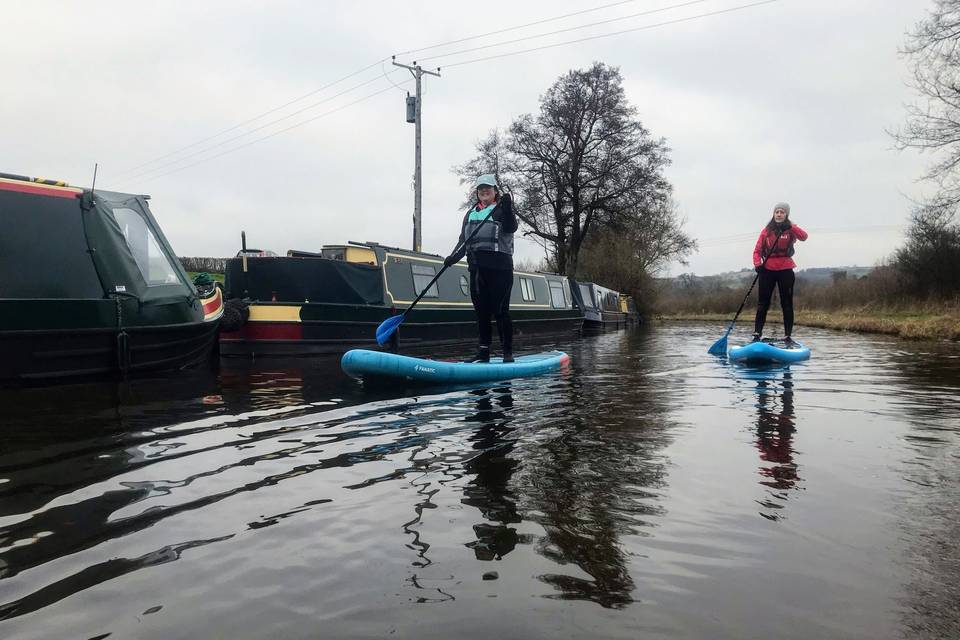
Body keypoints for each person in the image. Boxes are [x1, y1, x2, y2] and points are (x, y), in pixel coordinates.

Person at [444, 174, 518, 363]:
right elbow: (464, 240)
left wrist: (508, 208)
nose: (484, 191)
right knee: (481, 312)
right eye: (480, 189)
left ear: (495, 191)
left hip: (500, 270)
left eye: (488, 188)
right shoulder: (470, 214)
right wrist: (453, 257)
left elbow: (511, 228)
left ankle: (507, 354)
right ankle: (483, 353)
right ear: (477, 193)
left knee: (501, 311)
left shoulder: (502, 210)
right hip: (477, 270)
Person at [751, 202, 808, 345]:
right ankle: (757, 334)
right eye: (777, 212)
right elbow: (757, 251)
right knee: (763, 303)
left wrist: (791, 226)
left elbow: (804, 236)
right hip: (767, 270)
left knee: (786, 303)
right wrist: (758, 265)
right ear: (773, 214)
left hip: (785, 269)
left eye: (782, 212)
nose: (779, 214)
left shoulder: (790, 229)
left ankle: (788, 336)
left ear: (786, 214)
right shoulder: (766, 231)